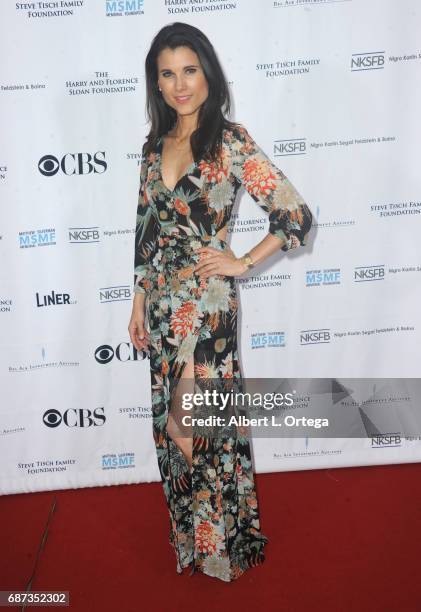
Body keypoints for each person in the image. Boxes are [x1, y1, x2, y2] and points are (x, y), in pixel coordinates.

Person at [128, 22, 313, 583]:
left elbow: (295, 216)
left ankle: (219, 549)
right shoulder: (153, 146)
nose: (181, 84)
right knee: (171, 429)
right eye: (168, 73)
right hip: (161, 308)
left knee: (196, 428)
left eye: (190, 69)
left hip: (205, 310)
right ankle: (196, 541)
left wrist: (242, 261)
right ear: (156, 84)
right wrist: (137, 301)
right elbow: (146, 230)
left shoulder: (230, 141)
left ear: (208, 74)